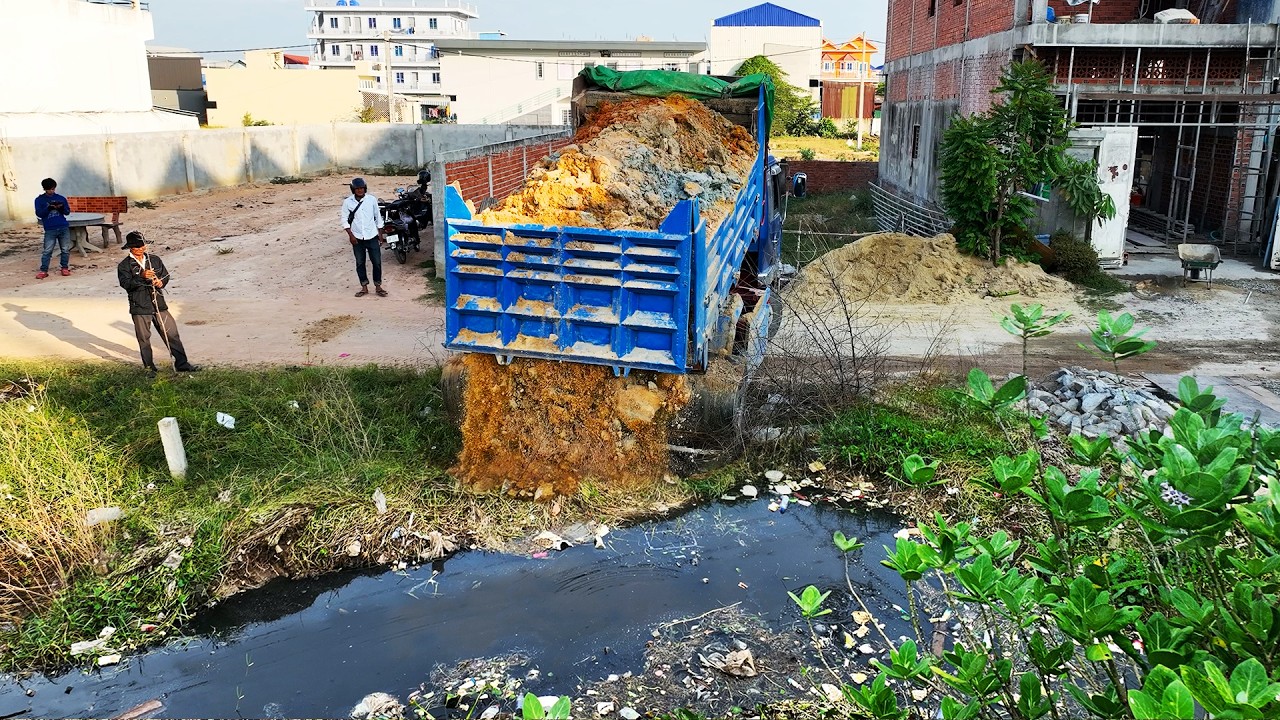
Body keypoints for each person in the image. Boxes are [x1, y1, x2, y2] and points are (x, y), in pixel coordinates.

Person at [117, 231, 200, 377]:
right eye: (138, 247)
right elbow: (126, 284)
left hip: (159, 303)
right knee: (144, 339)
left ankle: (182, 364)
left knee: (172, 334)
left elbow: (165, 275)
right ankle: (150, 369)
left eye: (143, 245)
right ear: (130, 248)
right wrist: (142, 277)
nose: (141, 249)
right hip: (140, 306)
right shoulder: (124, 266)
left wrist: (160, 282)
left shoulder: (154, 260)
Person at [340, 177, 388, 297]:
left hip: (372, 236)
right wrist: (351, 235)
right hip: (357, 238)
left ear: (365, 188)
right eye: (357, 189)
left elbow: (378, 217)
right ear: (353, 190)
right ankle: (364, 287)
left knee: (376, 262)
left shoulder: (371, 200)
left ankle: (378, 286)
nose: (360, 190)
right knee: (360, 263)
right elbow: (344, 219)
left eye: (362, 188)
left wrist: (380, 235)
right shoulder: (348, 202)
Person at [34, 178, 72, 279]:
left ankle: (64, 267)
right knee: (47, 250)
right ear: (44, 189)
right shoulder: (39, 200)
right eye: (49, 189)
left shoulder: (61, 198)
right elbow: (39, 213)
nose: (51, 191)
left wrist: (61, 208)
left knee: (65, 249)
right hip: (50, 228)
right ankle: (44, 270)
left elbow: (67, 212)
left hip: (63, 226)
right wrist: (49, 208)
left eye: (53, 189)